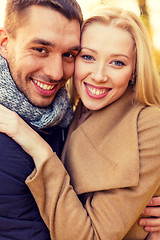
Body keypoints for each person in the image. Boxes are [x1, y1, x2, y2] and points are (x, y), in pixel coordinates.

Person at [0, 4, 160, 240]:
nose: (98, 75)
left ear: (135, 70)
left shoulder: (146, 124)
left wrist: (36, 147)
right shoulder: (67, 112)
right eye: (87, 57)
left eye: (117, 62)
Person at [0, 0, 82, 239]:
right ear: (5, 43)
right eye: (40, 49)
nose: (57, 72)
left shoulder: (64, 116)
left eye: (69, 54)